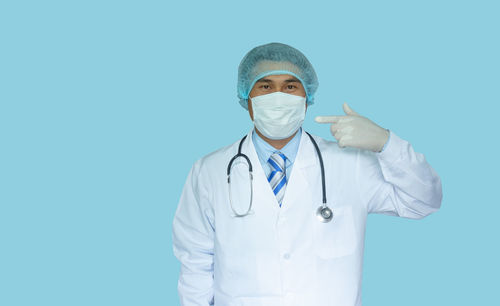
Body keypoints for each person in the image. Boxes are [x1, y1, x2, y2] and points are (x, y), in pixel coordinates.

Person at [172, 42, 442, 306]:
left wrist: (385, 143)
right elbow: (195, 263)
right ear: (247, 97)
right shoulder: (209, 171)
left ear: (307, 98)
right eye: (265, 86)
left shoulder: (350, 163)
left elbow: (423, 201)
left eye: (290, 86)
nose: (278, 97)